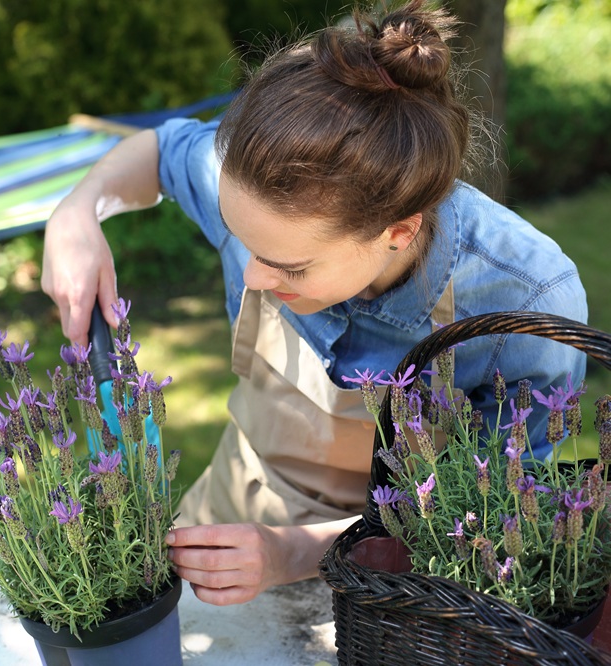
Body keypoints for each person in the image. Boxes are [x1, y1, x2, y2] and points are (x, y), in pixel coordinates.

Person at [41, 0, 588, 607]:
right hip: (227, 518)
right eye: (242, 240)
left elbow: (501, 510)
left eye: (290, 266)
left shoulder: (526, 301)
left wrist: (296, 553)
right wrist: (77, 212)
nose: (253, 275)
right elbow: (164, 148)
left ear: (398, 232)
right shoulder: (254, 183)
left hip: (398, 589)